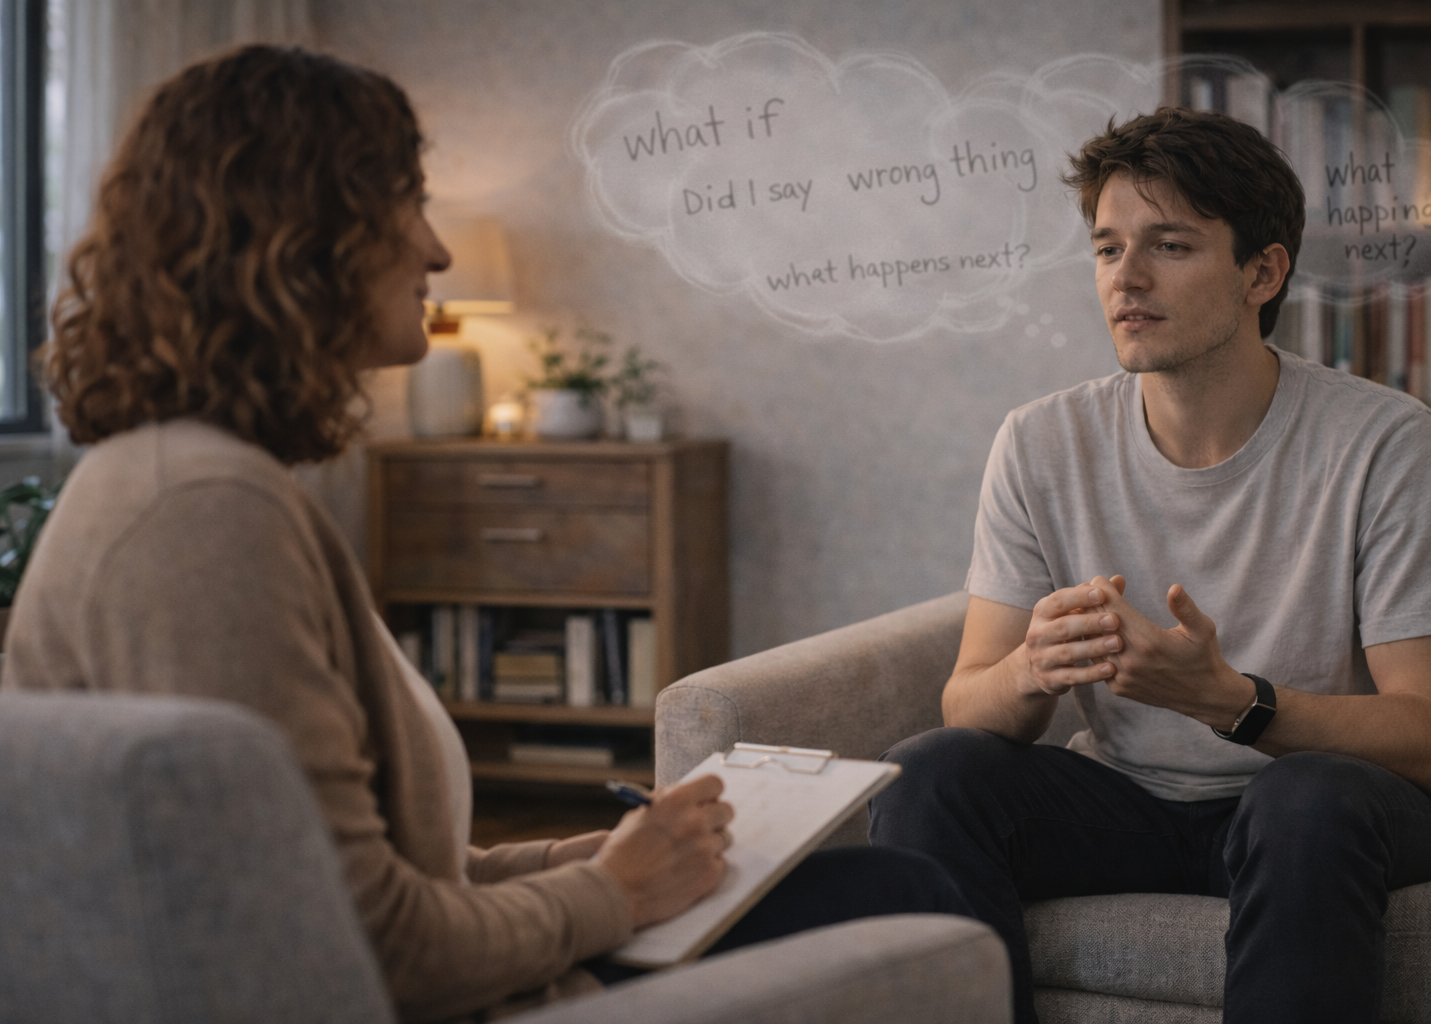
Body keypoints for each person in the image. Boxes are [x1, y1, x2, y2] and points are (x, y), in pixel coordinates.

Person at [0, 45, 972, 1023]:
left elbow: (370, 866)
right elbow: (373, 943)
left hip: (478, 955)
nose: (437, 250)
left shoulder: (211, 482)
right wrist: (620, 892)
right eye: (408, 205)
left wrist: (574, 857)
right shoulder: (206, 518)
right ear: (303, 237)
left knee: (876, 880)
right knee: (908, 902)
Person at [868, 107, 1431, 1024]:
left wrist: (1232, 702)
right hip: (1135, 802)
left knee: (1301, 798)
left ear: (1263, 272)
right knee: (930, 773)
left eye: (1169, 245)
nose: (1126, 278)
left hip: (1343, 807)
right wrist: (1031, 671)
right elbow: (966, 702)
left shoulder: (1386, 441)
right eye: (1106, 248)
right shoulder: (1041, 441)